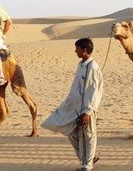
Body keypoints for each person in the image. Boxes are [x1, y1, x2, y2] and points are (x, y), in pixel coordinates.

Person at [41, 38, 104, 171]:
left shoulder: (92, 67)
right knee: (70, 132)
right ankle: (87, 159)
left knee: (89, 135)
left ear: (85, 50)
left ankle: (87, 165)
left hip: (87, 108)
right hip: (74, 108)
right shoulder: (81, 65)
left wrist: (87, 111)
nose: (75, 51)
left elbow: (93, 91)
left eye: (78, 49)